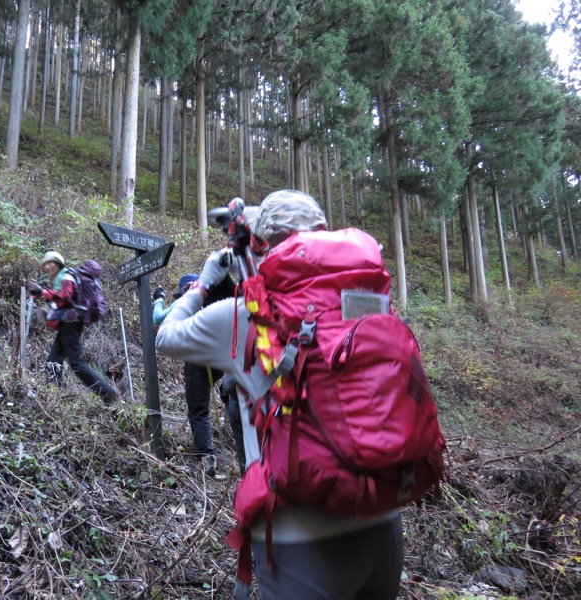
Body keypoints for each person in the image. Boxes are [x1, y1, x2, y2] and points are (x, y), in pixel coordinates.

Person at [155, 190, 403, 599]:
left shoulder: (242, 316)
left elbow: (165, 335)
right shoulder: (369, 303)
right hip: (384, 522)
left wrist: (204, 282)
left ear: (260, 244)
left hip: (302, 538)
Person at [153, 273, 236, 476]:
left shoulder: (188, 299)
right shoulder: (216, 297)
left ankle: (207, 459)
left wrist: (159, 300)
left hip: (198, 358)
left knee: (198, 410)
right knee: (227, 394)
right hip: (222, 355)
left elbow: (159, 319)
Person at [27, 251, 120, 405]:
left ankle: (108, 393)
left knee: (76, 362)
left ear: (59, 263)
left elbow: (65, 297)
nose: (48, 266)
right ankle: (54, 395)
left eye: (51, 262)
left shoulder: (67, 276)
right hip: (67, 323)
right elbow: (60, 301)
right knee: (53, 360)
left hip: (71, 324)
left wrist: (42, 291)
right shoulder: (60, 278)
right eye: (45, 264)